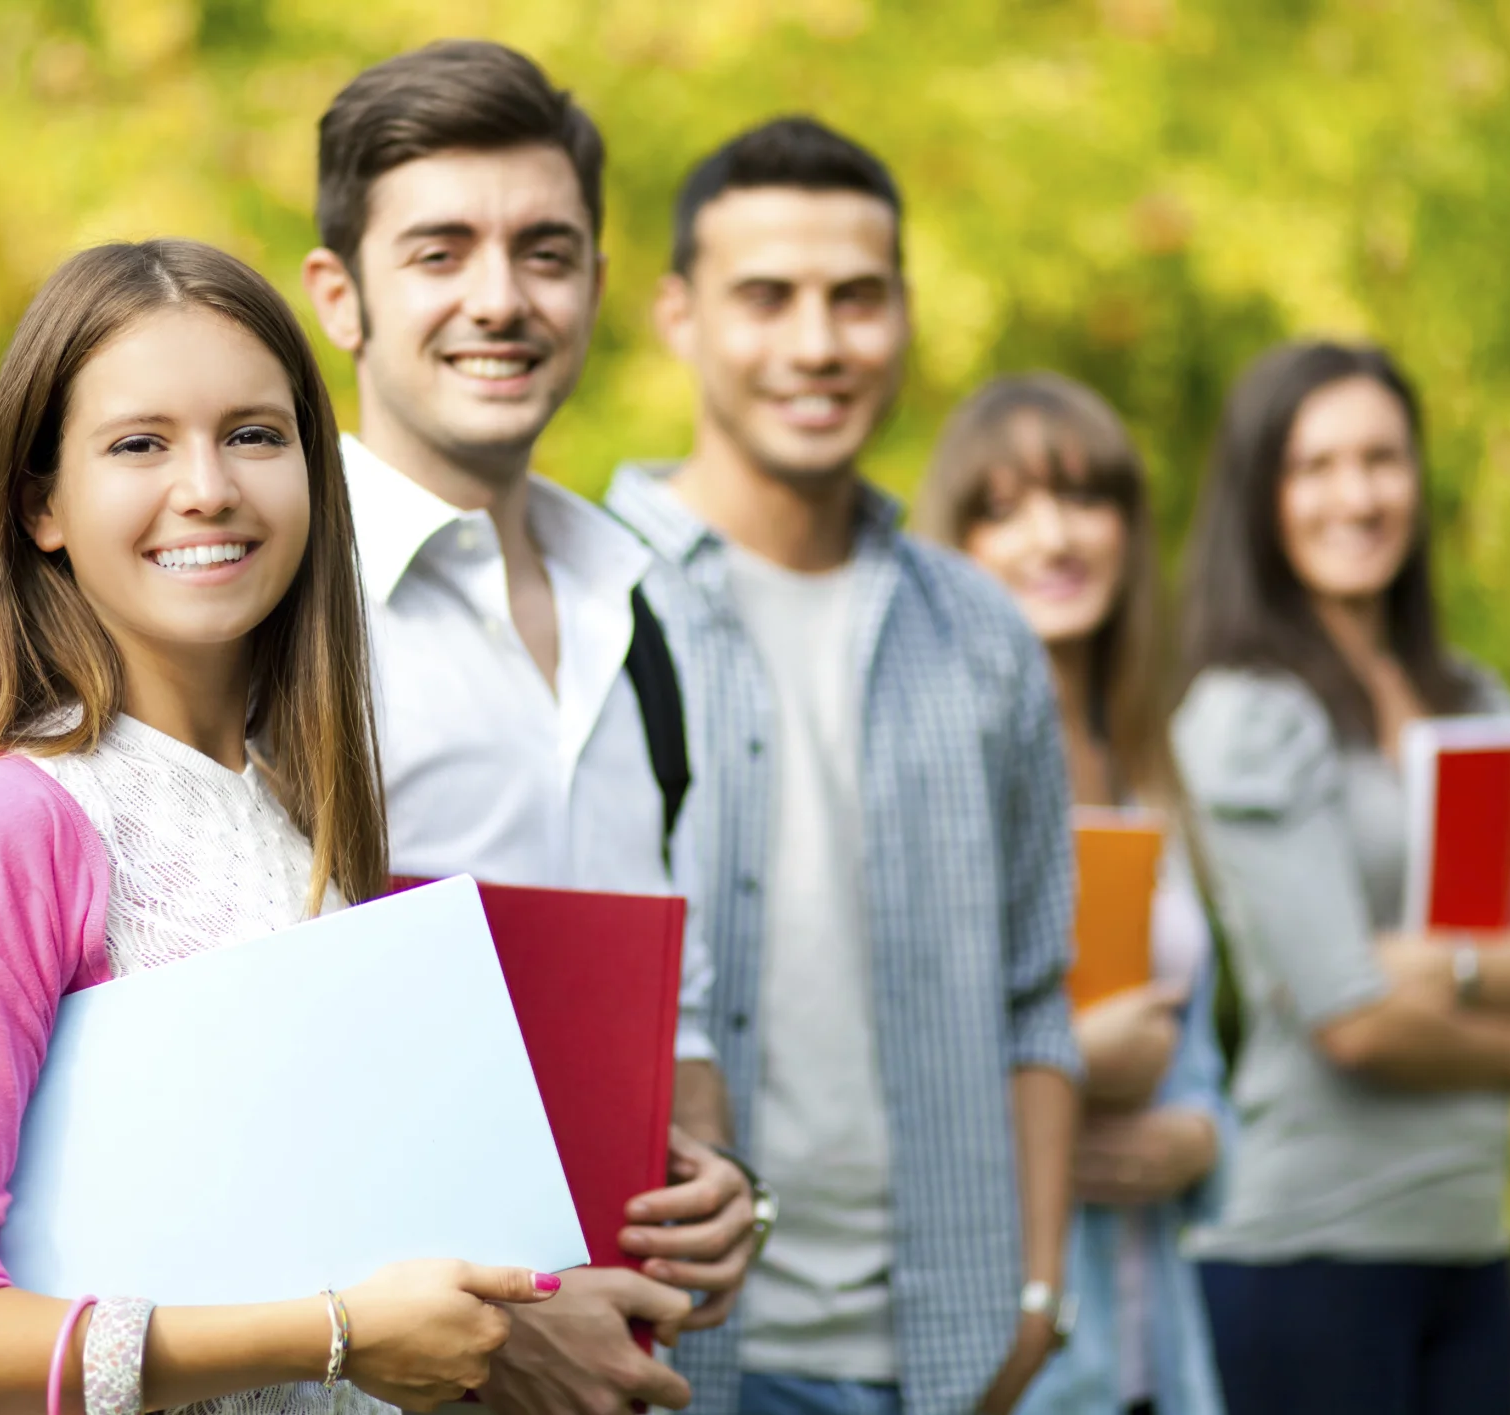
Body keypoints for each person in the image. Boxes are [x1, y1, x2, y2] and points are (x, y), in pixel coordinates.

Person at [0, 239, 564, 1415]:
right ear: (41, 504)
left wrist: (531, 1318)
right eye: (139, 443)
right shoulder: (2, 829)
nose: (207, 485)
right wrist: (336, 1333)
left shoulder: (302, 812)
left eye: (255, 434)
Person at [297, 41, 761, 1415]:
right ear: (340, 295)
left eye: (543, 251)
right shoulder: (274, 609)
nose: (498, 298)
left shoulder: (648, 609)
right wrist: (511, 1330)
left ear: (598, 286)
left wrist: (726, 1188)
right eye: (439, 251)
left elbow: (669, 1005)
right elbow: (236, 1042)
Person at [608, 118, 1082, 1415]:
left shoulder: (979, 625)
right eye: (765, 297)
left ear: (903, 315)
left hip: (947, 1355)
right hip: (673, 1354)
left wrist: (1032, 1303)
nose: (815, 343)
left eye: (854, 298)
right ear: (677, 314)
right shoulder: (578, 602)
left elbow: (1037, 990)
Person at [1171, 340, 1510, 1415]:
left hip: (1470, 1241)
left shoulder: (1470, 697)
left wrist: (1441, 964)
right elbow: (1350, 1019)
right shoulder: (1248, 712)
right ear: (1259, 497)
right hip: (1309, 1254)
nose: (1355, 495)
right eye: (1313, 466)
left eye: (1381, 459)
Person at [913, 373, 1230, 1415]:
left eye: (1084, 496)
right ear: (951, 543)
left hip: (1156, 1339)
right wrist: (1074, 1066)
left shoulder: (1146, 757)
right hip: (1011, 1351)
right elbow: (881, 1068)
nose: (1053, 536)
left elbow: (1203, 1058)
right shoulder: (934, 762)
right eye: (1003, 509)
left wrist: (1202, 1136)